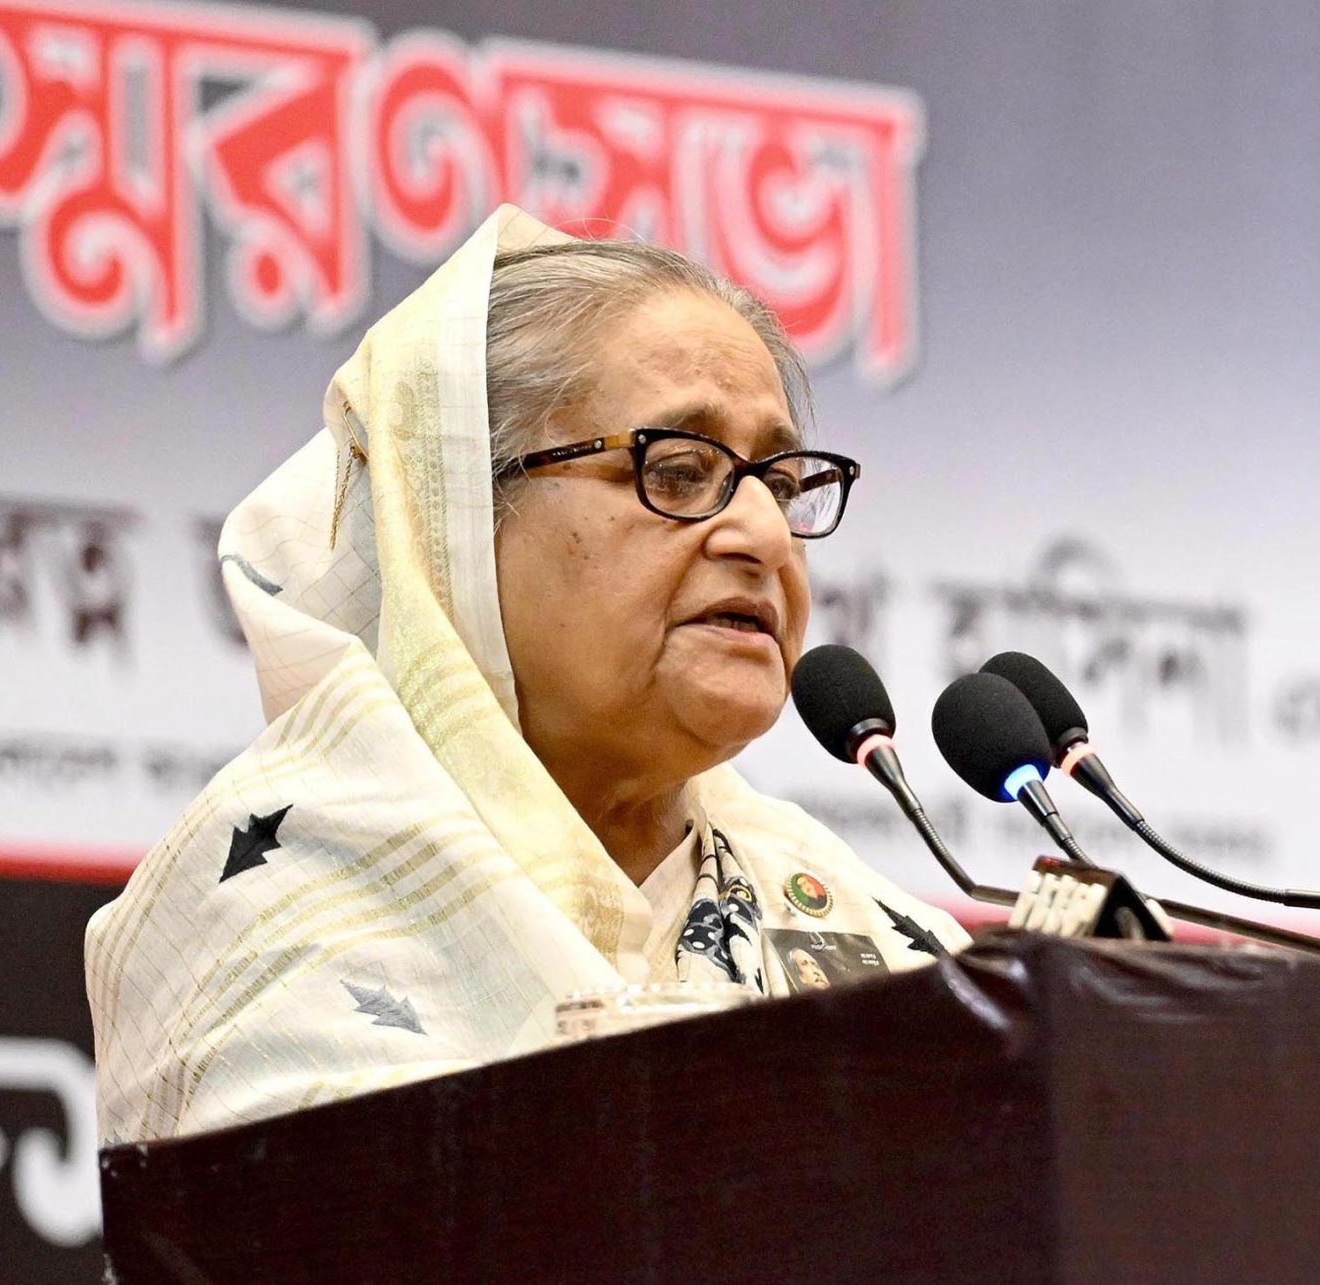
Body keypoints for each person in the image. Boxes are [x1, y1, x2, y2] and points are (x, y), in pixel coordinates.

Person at [86, 210, 965, 1141]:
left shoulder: (885, 949)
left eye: (779, 485)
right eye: (677, 470)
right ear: (458, 520)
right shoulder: (273, 921)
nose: (764, 536)